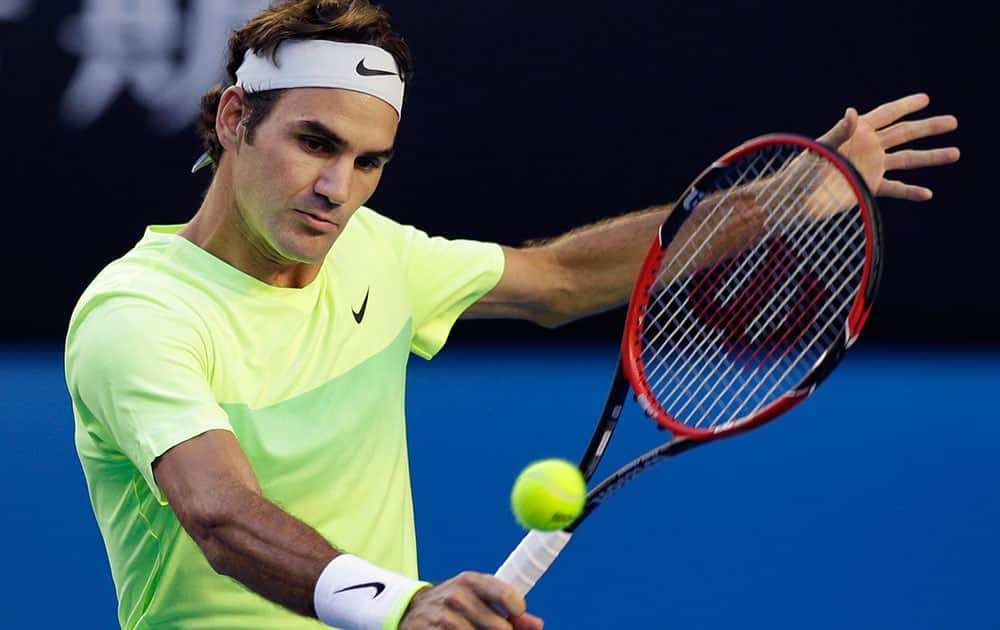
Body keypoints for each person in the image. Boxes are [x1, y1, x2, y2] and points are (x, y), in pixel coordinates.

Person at [64, 1, 960, 628]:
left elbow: (562, 277)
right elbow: (220, 516)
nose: (338, 190)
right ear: (233, 118)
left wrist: (787, 195)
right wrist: (400, 605)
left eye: (370, 161)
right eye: (314, 143)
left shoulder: (376, 253)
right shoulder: (140, 312)